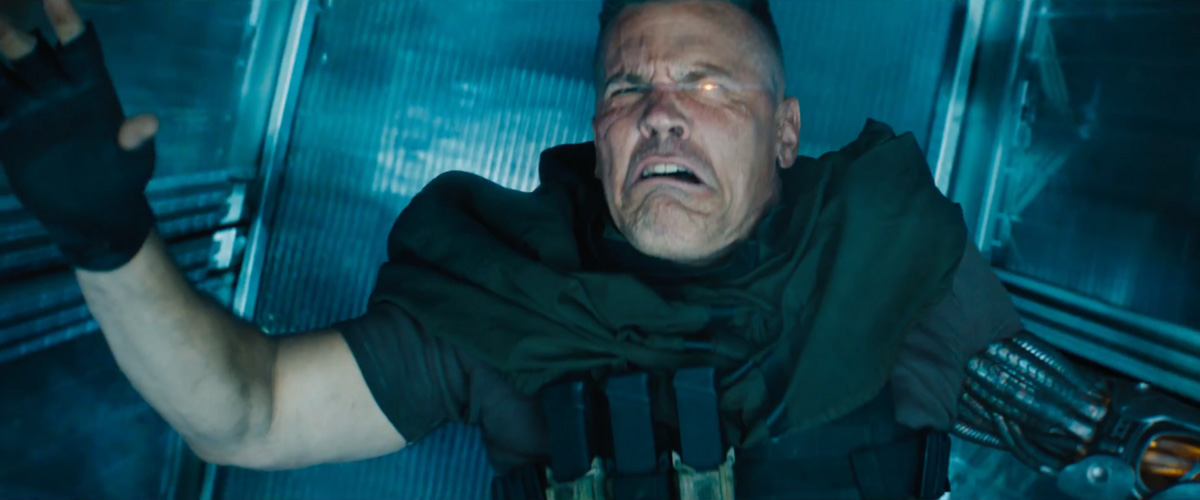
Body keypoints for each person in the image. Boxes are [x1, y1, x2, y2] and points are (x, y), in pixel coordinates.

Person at [0, 0, 1044, 498]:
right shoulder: (505, 281)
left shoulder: (887, 251)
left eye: (709, 84)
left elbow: (1083, 444)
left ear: (785, 132)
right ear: (599, 134)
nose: (662, 113)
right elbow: (249, 411)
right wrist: (108, 238)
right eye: (629, 87)